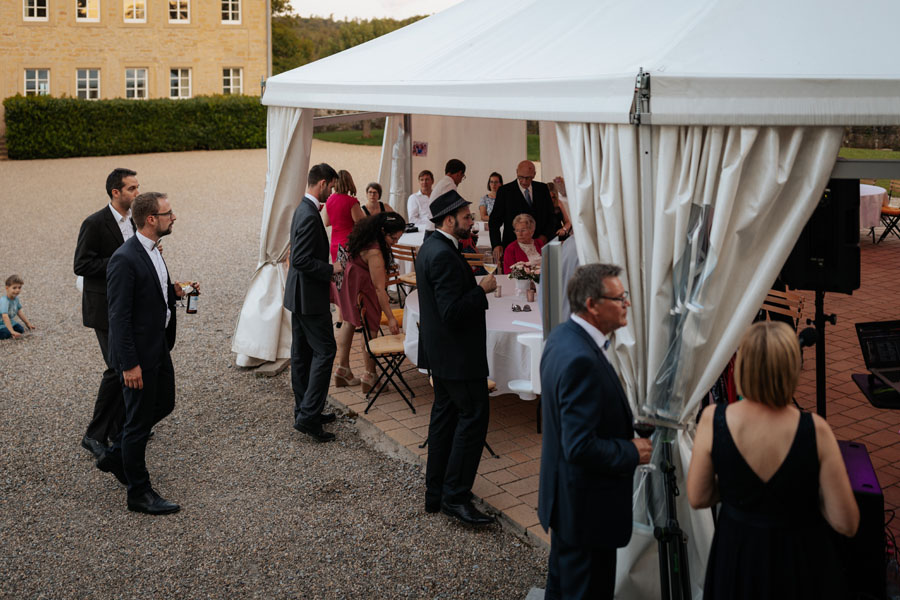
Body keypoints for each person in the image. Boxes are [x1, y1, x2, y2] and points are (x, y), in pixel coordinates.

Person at [687, 321, 859, 599]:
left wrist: (739, 489)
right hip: (800, 561)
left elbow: (698, 496)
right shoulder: (815, 429)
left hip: (738, 557)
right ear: (792, 368)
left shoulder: (713, 420)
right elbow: (846, 523)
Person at [538, 263, 652, 599]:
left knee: (561, 587)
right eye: (619, 298)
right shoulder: (580, 360)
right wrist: (633, 451)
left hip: (566, 501)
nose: (627, 304)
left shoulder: (561, 336)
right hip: (586, 512)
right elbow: (579, 446)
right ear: (592, 304)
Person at [101, 191, 193, 515]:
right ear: (152, 219)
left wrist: (176, 291)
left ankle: (116, 455)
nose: (174, 217)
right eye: (169, 213)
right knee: (138, 424)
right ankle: (138, 492)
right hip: (138, 356)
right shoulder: (124, 259)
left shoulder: (153, 249)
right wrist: (129, 365)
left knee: (165, 401)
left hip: (159, 346)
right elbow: (118, 316)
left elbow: (153, 285)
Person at [416, 189, 497, 526]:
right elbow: (451, 311)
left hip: (444, 354)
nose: (472, 220)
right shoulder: (443, 255)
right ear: (449, 220)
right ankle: (456, 497)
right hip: (459, 356)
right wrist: (481, 290)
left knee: (445, 419)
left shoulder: (433, 247)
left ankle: (436, 493)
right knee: (473, 417)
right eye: (466, 217)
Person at [73, 167, 139, 459]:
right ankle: (94, 434)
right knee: (116, 368)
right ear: (116, 192)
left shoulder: (135, 221)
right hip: (104, 308)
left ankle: (120, 426)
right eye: (132, 189)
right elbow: (82, 265)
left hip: (128, 305)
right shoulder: (94, 223)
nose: (137, 193)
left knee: (126, 363)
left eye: (137, 187)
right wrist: (121, 260)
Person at [285, 163, 342, 443]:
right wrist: (331, 269)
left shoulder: (302, 209)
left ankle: (306, 410)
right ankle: (308, 415)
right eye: (331, 186)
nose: (332, 192)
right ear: (322, 183)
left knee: (303, 355)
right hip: (309, 297)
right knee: (325, 351)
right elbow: (299, 259)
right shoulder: (308, 215)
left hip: (299, 295)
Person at [334, 213, 406, 391]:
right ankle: (370, 376)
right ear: (383, 231)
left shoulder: (365, 236)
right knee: (370, 326)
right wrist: (390, 317)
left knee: (349, 321)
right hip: (363, 286)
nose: (395, 242)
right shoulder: (375, 252)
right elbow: (380, 289)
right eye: (393, 238)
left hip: (351, 281)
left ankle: (342, 370)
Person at [489, 160, 556, 265]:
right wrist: (496, 244)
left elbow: (551, 217)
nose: (524, 181)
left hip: (539, 247)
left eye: (528, 178)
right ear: (516, 172)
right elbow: (494, 221)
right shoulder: (504, 191)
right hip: (513, 248)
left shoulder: (542, 189)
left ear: (534, 175)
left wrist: (545, 236)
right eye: (521, 177)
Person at [323, 170, 364, 262]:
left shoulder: (329, 200)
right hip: (349, 244)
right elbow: (361, 222)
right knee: (350, 274)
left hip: (335, 244)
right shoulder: (351, 202)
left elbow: (327, 222)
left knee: (338, 274)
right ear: (349, 182)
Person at [0, 274, 36, 339]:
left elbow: (19, 312)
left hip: (10, 322)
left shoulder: (16, 299)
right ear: (7, 288)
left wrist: (27, 323)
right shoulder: (4, 301)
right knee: (6, 334)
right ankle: (9, 331)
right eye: (14, 288)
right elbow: (5, 316)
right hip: (1, 323)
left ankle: (10, 330)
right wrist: (12, 331)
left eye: (19, 288)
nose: (17, 290)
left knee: (20, 329)